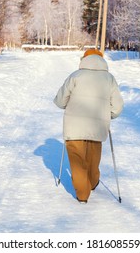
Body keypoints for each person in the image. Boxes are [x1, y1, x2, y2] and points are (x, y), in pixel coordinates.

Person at [54, 49, 124, 204]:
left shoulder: (75, 76)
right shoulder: (109, 79)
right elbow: (118, 107)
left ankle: (82, 194)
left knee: (77, 162)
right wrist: (108, 115)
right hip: (98, 127)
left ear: (84, 59)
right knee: (93, 159)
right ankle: (92, 183)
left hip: (74, 127)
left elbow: (59, 101)